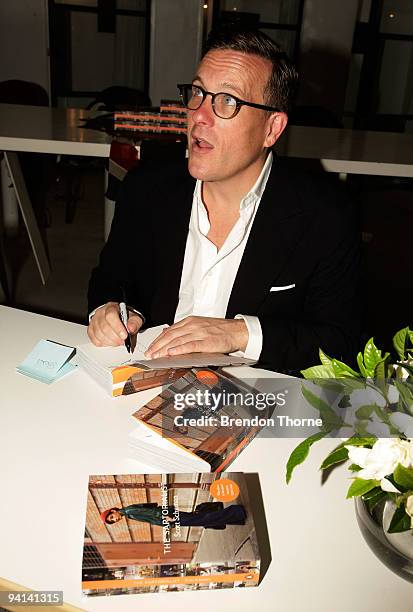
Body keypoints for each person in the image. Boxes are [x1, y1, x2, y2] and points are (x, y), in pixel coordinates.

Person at [87, 28, 360, 374]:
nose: (199, 116)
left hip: (251, 397)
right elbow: (109, 278)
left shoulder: (325, 216)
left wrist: (240, 333)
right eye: (198, 93)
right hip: (143, 381)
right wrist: (109, 311)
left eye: (227, 101)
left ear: (272, 128)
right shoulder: (145, 188)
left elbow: (341, 344)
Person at [100, 502, 247, 529]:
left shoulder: (129, 511)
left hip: (167, 516)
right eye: (112, 521)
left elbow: (151, 513)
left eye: (112, 517)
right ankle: (236, 517)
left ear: (113, 511)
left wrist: (166, 519)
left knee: (202, 519)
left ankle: (236, 512)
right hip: (167, 517)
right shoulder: (129, 515)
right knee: (201, 520)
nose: (115, 519)